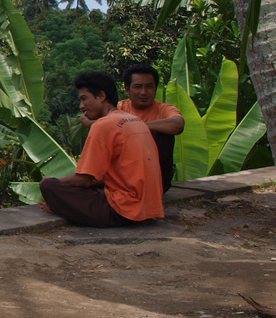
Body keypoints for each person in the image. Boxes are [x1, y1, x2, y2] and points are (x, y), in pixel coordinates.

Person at [39, 71, 164, 228]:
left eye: (84, 99)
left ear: (101, 96)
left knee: (48, 186)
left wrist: (54, 184)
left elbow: (83, 179)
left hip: (123, 212)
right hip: (149, 208)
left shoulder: (103, 124)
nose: (81, 106)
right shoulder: (135, 120)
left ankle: (59, 206)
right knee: (95, 188)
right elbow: (105, 178)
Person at [118, 62, 184, 192]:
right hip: (123, 176)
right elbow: (89, 120)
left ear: (155, 88)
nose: (144, 92)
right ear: (127, 89)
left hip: (155, 180)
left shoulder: (165, 109)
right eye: (138, 87)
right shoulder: (119, 108)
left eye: (149, 86)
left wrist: (136, 127)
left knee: (162, 134)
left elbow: (178, 124)